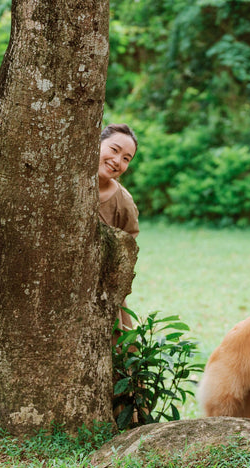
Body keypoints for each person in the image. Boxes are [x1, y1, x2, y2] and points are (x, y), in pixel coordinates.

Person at [98, 123, 139, 330]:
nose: (117, 161)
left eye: (126, 159)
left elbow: (128, 245)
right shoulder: (67, 183)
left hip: (102, 289)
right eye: (114, 150)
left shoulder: (123, 202)